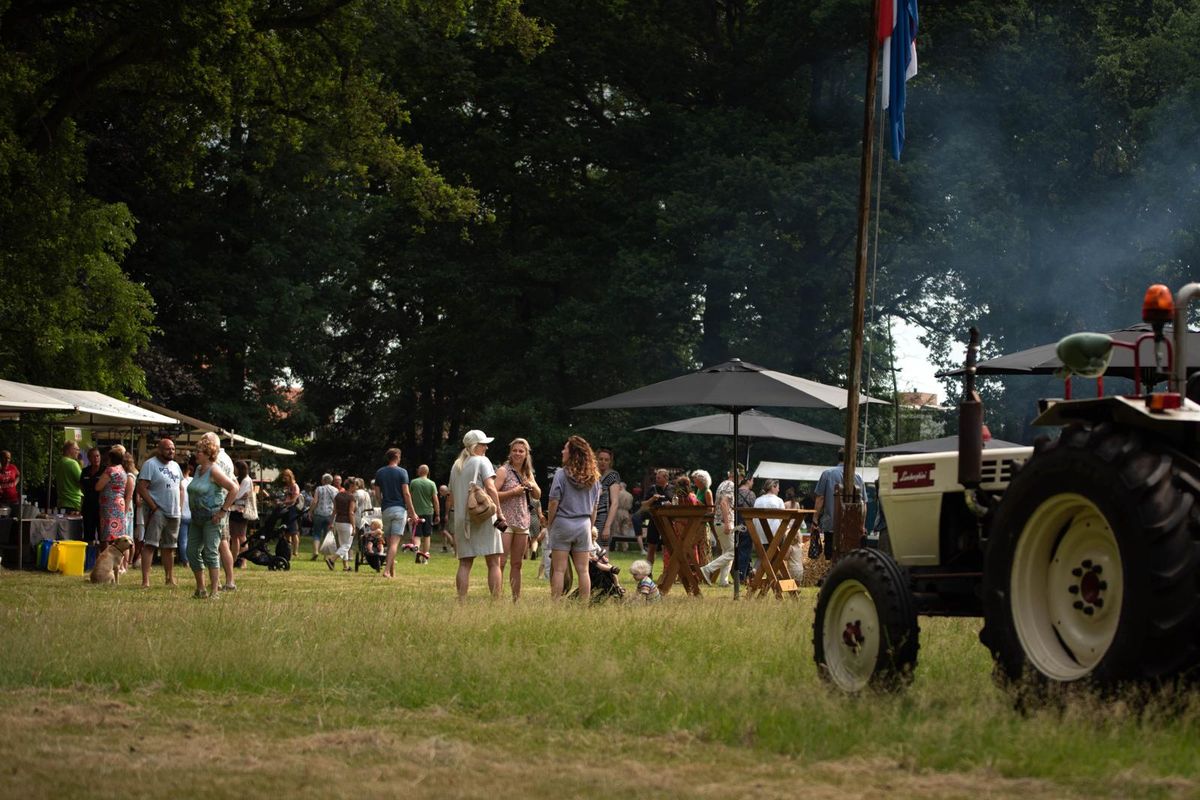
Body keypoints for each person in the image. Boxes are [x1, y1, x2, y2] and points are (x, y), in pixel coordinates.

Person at [448, 430, 505, 599]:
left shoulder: (456, 465)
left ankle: (461, 601)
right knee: (494, 561)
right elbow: (491, 488)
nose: (486, 447)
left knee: (465, 563)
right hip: (484, 516)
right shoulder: (482, 461)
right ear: (475, 446)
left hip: (462, 519)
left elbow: (452, 495)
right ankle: (496, 600)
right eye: (483, 444)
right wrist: (500, 513)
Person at [546, 435, 601, 602]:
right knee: (583, 570)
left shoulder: (561, 474)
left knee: (559, 570)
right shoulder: (594, 477)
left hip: (562, 522)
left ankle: (555, 604)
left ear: (572, 453)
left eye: (565, 448)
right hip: (583, 524)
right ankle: (584, 604)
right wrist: (590, 526)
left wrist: (550, 524)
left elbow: (553, 501)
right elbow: (594, 507)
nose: (563, 451)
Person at [187, 434, 240, 599]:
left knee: (211, 552)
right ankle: (200, 589)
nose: (197, 454)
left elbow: (233, 488)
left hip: (212, 518)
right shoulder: (198, 469)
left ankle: (215, 592)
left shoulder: (214, 470)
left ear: (208, 454)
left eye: (200, 452)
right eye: (197, 451)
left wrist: (223, 511)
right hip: (196, 518)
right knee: (191, 551)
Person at [495, 438, 540, 602]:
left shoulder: (528, 473)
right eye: (515, 450)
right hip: (505, 522)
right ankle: (497, 598)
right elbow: (493, 494)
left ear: (526, 454)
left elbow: (538, 495)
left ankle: (516, 599)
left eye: (521, 451)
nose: (518, 453)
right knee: (500, 562)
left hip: (523, 522)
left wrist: (532, 485)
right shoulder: (503, 471)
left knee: (517, 564)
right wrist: (513, 492)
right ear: (510, 452)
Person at [136, 437, 184, 588]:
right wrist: (154, 507)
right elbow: (141, 488)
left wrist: (180, 507)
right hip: (157, 511)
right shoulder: (150, 465)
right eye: (168, 448)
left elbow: (181, 487)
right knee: (150, 544)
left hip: (174, 512)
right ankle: (145, 581)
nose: (171, 451)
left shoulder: (176, 466)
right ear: (159, 449)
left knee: (169, 547)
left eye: (173, 449)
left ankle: (169, 578)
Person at [813, 449, 866, 560]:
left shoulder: (827, 474)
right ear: (852, 459)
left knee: (831, 558)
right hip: (852, 526)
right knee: (850, 559)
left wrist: (815, 520)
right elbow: (863, 504)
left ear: (839, 457)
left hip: (831, 525)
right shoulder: (858, 477)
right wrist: (862, 525)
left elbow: (820, 498)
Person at [373, 448, 417, 579]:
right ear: (397, 457)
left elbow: (376, 493)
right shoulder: (402, 472)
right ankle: (387, 571)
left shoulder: (380, 472)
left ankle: (393, 573)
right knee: (394, 543)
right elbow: (406, 493)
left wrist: (383, 503)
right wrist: (412, 512)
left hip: (386, 509)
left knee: (389, 541)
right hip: (399, 509)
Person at [699, 467, 741, 587]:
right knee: (734, 551)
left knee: (727, 551)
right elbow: (723, 503)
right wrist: (727, 523)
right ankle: (708, 569)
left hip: (717, 521)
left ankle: (723, 581)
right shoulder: (731, 486)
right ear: (738, 477)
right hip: (724, 522)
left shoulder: (723, 484)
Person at [637, 469, 673, 567]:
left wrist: (671, 504)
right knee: (651, 547)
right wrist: (652, 499)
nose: (656, 479)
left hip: (668, 521)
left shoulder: (672, 489)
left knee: (669, 547)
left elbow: (677, 504)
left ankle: (668, 571)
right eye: (656, 477)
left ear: (666, 478)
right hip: (654, 520)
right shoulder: (652, 488)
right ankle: (648, 571)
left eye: (659, 477)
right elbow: (643, 504)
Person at [95, 449, 127, 545]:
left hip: (110, 505)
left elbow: (98, 487)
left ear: (110, 458)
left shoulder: (110, 470)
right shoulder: (122, 470)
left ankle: (108, 557)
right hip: (120, 503)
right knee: (118, 534)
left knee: (108, 534)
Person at [409, 465, 439, 564]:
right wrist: (437, 514)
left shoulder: (413, 482)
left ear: (419, 471)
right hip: (428, 512)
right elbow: (435, 500)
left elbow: (410, 497)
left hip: (416, 513)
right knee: (427, 535)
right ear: (427, 472)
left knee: (417, 535)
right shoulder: (432, 484)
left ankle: (417, 552)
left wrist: (409, 511)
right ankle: (425, 558)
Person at [228, 461, 255, 569]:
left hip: (241, 511)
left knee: (242, 537)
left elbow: (238, 495)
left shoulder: (246, 480)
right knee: (234, 537)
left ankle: (244, 561)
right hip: (234, 510)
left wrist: (231, 496)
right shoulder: (238, 479)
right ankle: (234, 560)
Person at [593, 447, 621, 548]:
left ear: (610, 462)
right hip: (589, 516)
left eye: (606, 460)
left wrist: (607, 526)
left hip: (603, 518)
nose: (603, 462)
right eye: (600, 459)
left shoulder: (612, 476)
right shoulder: (592, 475)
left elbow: (615, 503)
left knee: (601, 553)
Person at [310, 473, 338, 564]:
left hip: (319, 514)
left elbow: (315, 501)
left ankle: (315, 552)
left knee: (316, 533)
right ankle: (326, 557)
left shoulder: (319, 488)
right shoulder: (335, 490)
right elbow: (336, 503)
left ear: (323, 480)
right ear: (331, 481)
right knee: (327, 535)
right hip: (330, 515)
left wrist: (310, 511)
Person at [330, 480, 356, 571]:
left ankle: (346, 566)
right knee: (347, 545)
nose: (356, 488)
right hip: (347, 522)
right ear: (351, 486)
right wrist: (354, 525)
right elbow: (351, 512)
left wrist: (331, 522)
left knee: (342, 544)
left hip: (338, 522)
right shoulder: (351, 497)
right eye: (355, 486)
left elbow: (334, 510)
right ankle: (332, 559)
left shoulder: (338, 495)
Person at [80, 447, 102, 542]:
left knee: (102, 535)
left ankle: (102, 555)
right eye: (93, 457)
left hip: (101, 507)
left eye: (97, 456)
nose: (96, 458)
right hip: (88, 507)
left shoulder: (105, 470)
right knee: (88, 534)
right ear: (89, 458)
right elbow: (81, 486)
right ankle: (89, 555)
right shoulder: (85, 471)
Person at [279, 469, 302, 558]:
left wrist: (283, 503)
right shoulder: (287, 487)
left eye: (286, 476)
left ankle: (295, 551)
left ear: (290, 476)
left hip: (292, 510)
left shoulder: (295, 486)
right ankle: (287, 549)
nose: (284, 478)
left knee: (294, 532)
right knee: (286, 532)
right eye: (283, 476)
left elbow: (294, 500)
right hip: (286, 510)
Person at [55, 440, 82, 513]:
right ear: (69, 450)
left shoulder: (59, 463)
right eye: (76, 449)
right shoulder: (72, 463)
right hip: (73, 502)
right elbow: (82, 482)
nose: (78, 452)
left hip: (61, 502)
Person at [178, 457, 194, 568]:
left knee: (183, 540)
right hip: (193, 513)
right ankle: (192, 559)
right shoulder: (193, 481)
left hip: (182, 513)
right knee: (192, 540)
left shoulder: (179, 482)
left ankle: (186, 561)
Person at [437, 484, 453, 553]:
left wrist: (446, 515)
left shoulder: (448, 497)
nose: (440, 492)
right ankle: (444, 547)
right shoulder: (441, 497)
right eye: (440, 490)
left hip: (444, 515)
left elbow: (448, 506)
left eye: (441, 490)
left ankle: (453, 543)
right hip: (441, 514)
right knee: (442, 532)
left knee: (443, 531)